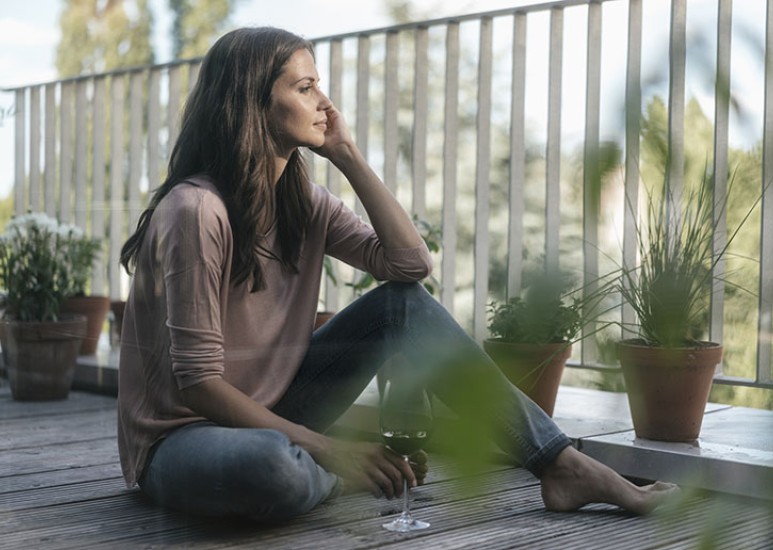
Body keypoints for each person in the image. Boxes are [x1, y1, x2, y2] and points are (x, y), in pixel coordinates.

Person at [117, 26, 678, 522]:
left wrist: (350, 155)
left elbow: (409, 267)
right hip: (183, 438)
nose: (325, 104)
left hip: (273, 411)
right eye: (305, 87)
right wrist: (332, 451)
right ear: (252, 102)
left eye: (320, 85)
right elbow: (201, 385)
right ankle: (332, 468)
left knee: (399, 306)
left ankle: (561, 463)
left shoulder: (303, 203)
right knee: (274, 469)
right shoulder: (196, 210)